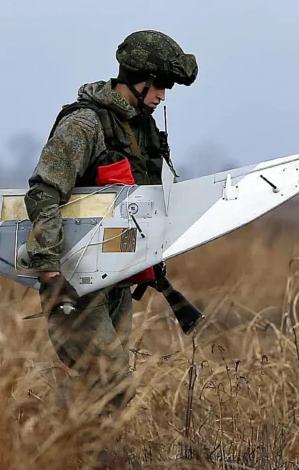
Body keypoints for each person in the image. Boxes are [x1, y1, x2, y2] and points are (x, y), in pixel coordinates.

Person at [23, 29, 198, 410]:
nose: (163, 95)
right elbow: (44, 192)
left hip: (116, 278)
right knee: (110, 383)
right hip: (73, 281)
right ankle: (32, 438)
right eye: (161, 84)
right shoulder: (85, 125)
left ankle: (57, 450)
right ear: (137, 78)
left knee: (104, 395)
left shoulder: (142, 127)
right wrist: (49, 272)